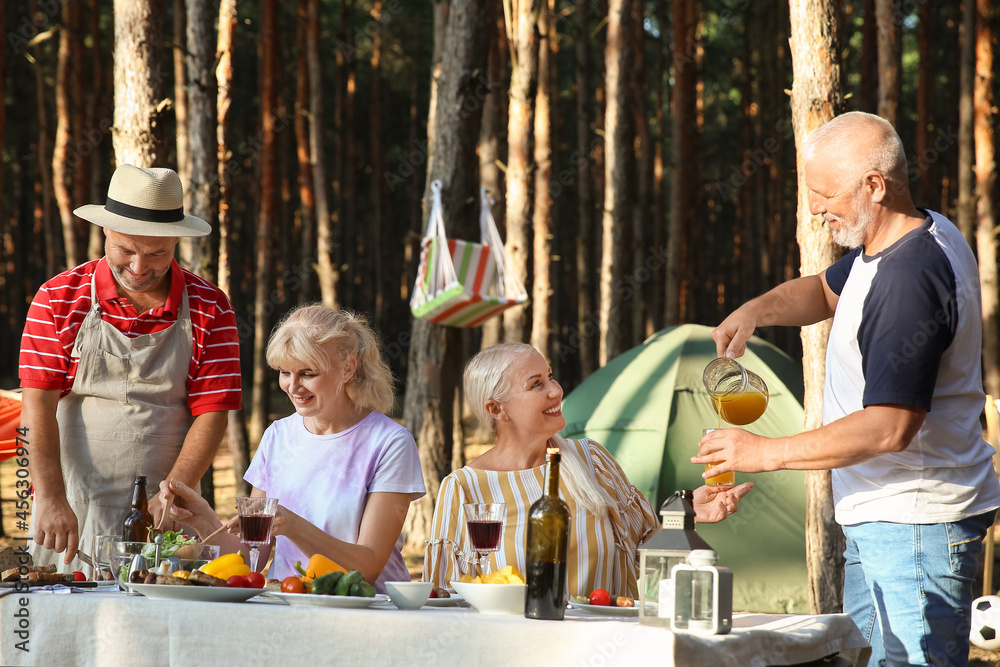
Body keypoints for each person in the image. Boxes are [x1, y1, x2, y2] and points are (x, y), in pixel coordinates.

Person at [696, 111, 1000, 666]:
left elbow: (890, 426)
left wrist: (764, 452)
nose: (814, 209)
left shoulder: (908, 280)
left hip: (914, 526)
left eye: (824, 193)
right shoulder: (904, 237)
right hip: (886, 519)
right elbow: (825, 290)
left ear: (875, 187)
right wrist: (756, 310)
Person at [18, 165, 241, 568]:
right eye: (125, 250)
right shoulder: (57, 297)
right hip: (71, 506)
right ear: (105, 233)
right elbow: (36, 406)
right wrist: (50, 495)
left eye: (157, 253)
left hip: (166, 513)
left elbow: (214, 415)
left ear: (177, 239)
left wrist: (174, 491)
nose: (139, 267)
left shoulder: (211, 307)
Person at [423, 342, 752, 597]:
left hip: (603, 646)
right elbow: (440, 596)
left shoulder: (591, 459)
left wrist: (686, 515)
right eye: (536, 384)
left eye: (550, 376)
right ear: (496, 409)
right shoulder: (465, 489)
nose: (556, 390)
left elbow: (641, 554)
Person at [164, 305, 425, 593]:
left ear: (348, 368)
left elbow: (368, 566)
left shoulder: (390, 442)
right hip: (289, 603)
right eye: (285, 372)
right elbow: (252, 560)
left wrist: (293, 525)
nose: (293, 386)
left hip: (367, 611)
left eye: (308, 373)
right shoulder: (277, 435)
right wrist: (204, 518)